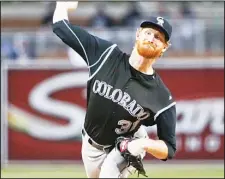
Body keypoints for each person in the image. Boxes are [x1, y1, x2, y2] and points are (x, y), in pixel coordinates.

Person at [52, 1, 177, 178]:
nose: (151, 38)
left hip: (127, 145)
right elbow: (61, 27)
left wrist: (143, 144)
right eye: (148, 32)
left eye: (158, 37)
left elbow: (169, 148)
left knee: (109, 171)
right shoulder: (105, 55)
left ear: (164, 47)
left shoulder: (161, 95)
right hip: (90, 145)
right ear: (138, 34)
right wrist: (63, 5)